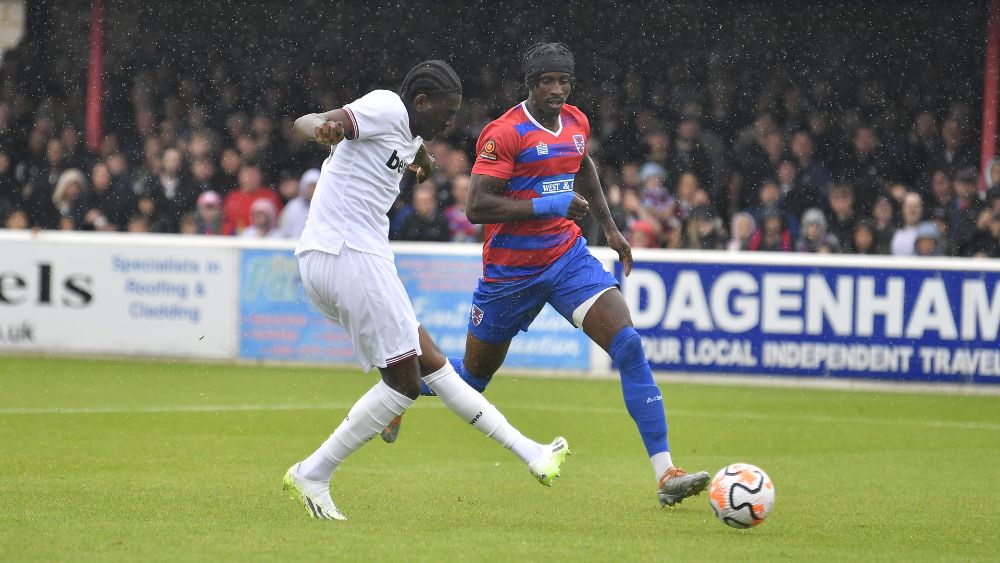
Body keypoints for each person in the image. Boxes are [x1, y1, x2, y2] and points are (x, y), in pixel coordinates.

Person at [405, 44, 709, 507]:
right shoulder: (503, 133)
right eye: (547, 81)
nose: (557, 89)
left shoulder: (576, 123)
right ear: (531, 83)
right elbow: (476, 207)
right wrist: (548, 204)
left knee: (627, 344)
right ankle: (400, 386)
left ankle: (665, 472)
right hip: (509, 273)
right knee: (472, 380)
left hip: (565, 257)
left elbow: (582, 164)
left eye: (563, 81)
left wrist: (610, 227)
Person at [282, 60, 568, 521]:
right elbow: (307, 121)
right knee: (403, 383)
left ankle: (532, 452)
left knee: (433, 365)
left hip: (337, 258)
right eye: (446, 111)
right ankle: (313, 473)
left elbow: (415, 154)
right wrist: (322, 128)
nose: (451, 122)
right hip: (348, 255)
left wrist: (422, 163)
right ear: (419, 102)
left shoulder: (408, 135)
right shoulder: (386, 106)